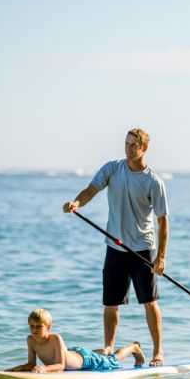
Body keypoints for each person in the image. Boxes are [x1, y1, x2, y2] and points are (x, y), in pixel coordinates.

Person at [63, 128, 169, 366]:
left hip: (142, 249)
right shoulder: (112, 169)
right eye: (126, 144)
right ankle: (109, 346)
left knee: (149, 302)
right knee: (111, 303)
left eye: (134, 145)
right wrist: (76, 202)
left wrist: (160, 257)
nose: (129, 149)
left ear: (144, 149)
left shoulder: (153, 181)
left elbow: (163, 221)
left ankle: (158, 351)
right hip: (115, 247)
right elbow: (91, 190)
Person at [6, 308, 145, 373]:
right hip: (72, 353)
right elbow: (31, 363)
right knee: (103, 355)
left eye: (39, 326)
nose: (34, 330)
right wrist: (17, 368)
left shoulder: (56, 339)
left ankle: (134, 347)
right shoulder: (31, 340)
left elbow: (61, 366)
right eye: (31, 326)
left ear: (48, 327)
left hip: (85, 359)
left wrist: (45, 369)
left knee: (113, 360)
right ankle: (103, 351)